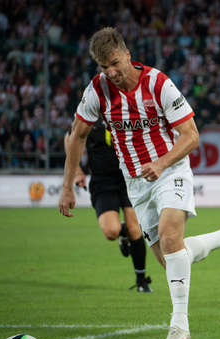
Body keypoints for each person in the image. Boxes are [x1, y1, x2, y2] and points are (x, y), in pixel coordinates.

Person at [58, 27, 220, 339]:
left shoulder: (159, 83)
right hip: (135, 182)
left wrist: (162, 163)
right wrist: (67, 185)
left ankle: (179, 327)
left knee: (169, 239)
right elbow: (78, 135)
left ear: (126, 55)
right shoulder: (97, 90)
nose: (110, 72)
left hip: (171, 169)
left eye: (114, 63)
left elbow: (191, 135)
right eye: (103, 67)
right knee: (171, 258)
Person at [64, 119, 153, 292]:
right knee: (111, 232)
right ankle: (122, 232)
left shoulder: (125, 109)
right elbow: (70, 137)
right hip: (102, 183)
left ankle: (141, 281)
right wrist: (77, 170)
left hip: (129, 179)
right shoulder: (90, 111)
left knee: (135, 228)